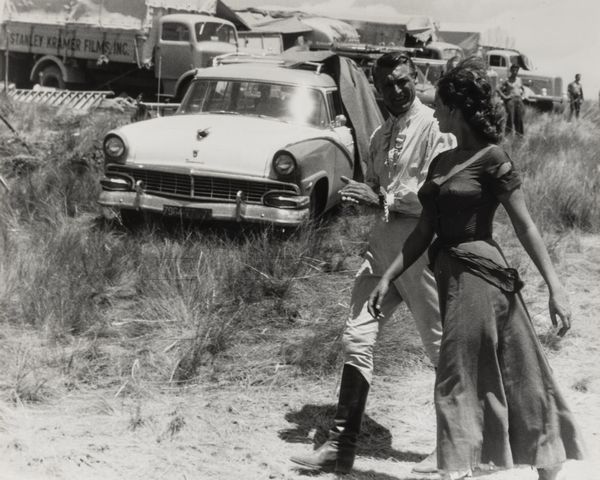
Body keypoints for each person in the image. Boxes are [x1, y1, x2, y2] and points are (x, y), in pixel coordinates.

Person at [368, 57, 586, 480]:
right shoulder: (441, 163)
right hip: (452, 276)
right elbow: (422, 233)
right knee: (515, 366)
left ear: (456, 108)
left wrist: (556, 287)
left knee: (464, 371)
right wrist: (389, 276)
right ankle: (531, 457)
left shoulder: (492, 158)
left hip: (482, 277)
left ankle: (465, 465)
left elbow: (525, 225)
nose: (436, 110)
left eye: (441, 104)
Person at [289, 52, 455, 475]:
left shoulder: (436, 128)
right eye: (387, 85)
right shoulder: (381, 134)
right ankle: (341, 447)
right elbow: (382, 189)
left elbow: (434, 196)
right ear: (376, 89)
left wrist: (381, 198)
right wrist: (366, 194)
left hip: (419, 252)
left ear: (415, 78)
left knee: (440, 348)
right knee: (356, 338)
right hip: (380, 251)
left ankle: (451, 445)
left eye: (403, 82)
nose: (396, 91)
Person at [498, 64, 525, 136]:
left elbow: (522, 88)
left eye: (517, 70)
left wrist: (522, 96)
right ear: (511, 70)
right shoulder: (507, 80)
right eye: (514, 70)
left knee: (519, 118)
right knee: (511, 118)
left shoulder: (519, 79)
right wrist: (505, 97)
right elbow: (498, 88)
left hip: (519, 100)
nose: (515, 72)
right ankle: (508, 136)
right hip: (511, 101)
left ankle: (519, 135)